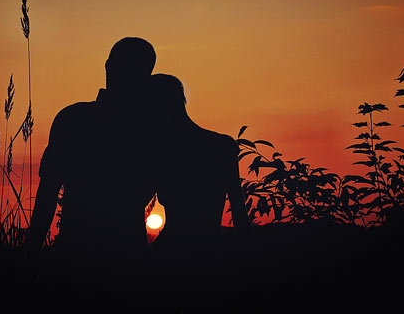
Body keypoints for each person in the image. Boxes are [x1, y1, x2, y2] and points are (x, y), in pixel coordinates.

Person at [24, 37, 158, 300]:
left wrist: (30, 254)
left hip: (76, 258)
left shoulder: (72, 119)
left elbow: (47, 195)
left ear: (108, 66)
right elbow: (148, 192)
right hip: (126, 263)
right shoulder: (150, 129)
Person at [146, 73, 253, 307]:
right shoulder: (221, 145)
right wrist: (247, 259)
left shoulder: (158, 152)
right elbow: (239, 208)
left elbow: (139, 201)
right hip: (212, 252)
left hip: (172, 254)